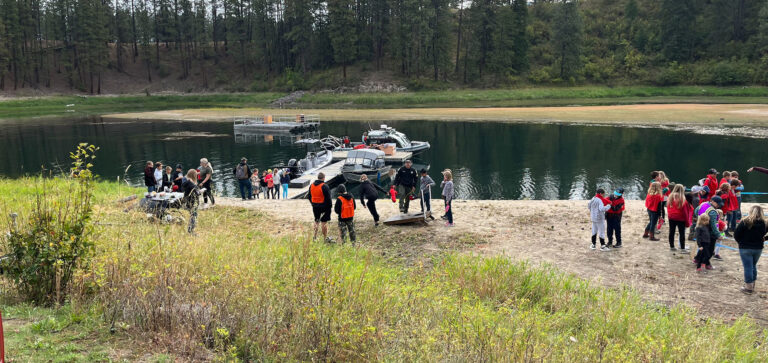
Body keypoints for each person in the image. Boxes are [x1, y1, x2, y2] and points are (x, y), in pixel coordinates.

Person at [734, 205, 766, 294]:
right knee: (753, 265)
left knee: (748, 267)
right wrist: (764, 239)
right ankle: (753, 283)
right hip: (758, 248)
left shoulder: (744, 222)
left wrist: (741, 242)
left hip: (745, 248)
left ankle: (748, 287)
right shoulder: (764, 223)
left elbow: (736, 234)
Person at [695, 195, 723, 269]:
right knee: (710, 250)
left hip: (701, 229)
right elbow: (713, 225)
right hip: (710, 233)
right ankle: (706, 264)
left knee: (703, 247)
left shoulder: (703, 204)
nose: (718, 205)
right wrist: (718, 235)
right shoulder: (712, 212)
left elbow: (696, 212)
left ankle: (697, 259)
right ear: (712, 201)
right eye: (717, 203)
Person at [307, 172, 332, 242]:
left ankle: (314, 236)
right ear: (323, 178)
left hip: (315, 206)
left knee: (316, 221)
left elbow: (309, 196)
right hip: (324, 207)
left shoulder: (311, 185)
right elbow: (329, 198)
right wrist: (329, 207)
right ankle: (325, 238)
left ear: (318, 177)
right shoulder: (324, 186)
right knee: (324, 222)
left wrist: (312, 203)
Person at [666, 184, 692, 252]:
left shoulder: (670, 197)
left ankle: (672, 246)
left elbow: (668, 208)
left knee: (671, 232)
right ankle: (682, 248)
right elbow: (685, 212)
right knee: (682, 233)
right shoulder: (683, 199)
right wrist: (687, 222)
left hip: (671, 217)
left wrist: (669, 215)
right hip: (680, 218)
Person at [181, 169, 201, 234]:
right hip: (193, 201)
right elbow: (197, 192)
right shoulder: (191, 183)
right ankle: (191, 231)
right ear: (193, 175)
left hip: (188, 200)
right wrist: (201, 191)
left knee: (192, 215)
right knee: (194, 215)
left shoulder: (186, 181)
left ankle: (190, 230)